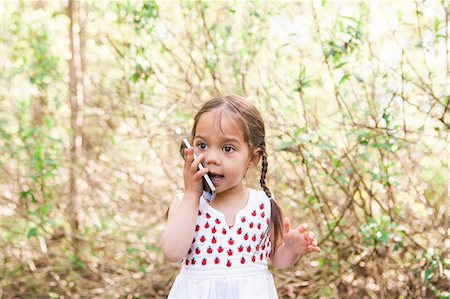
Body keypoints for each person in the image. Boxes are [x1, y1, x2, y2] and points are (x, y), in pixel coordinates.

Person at [161, 95, 321, 298]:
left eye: (227, 148)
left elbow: (278, 260)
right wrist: (193, 194)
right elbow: (173, 252)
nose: (210, 158)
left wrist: (290, 247)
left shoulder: (264, 205)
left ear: (253, 158)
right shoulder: (185, 203)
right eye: (202, 145)